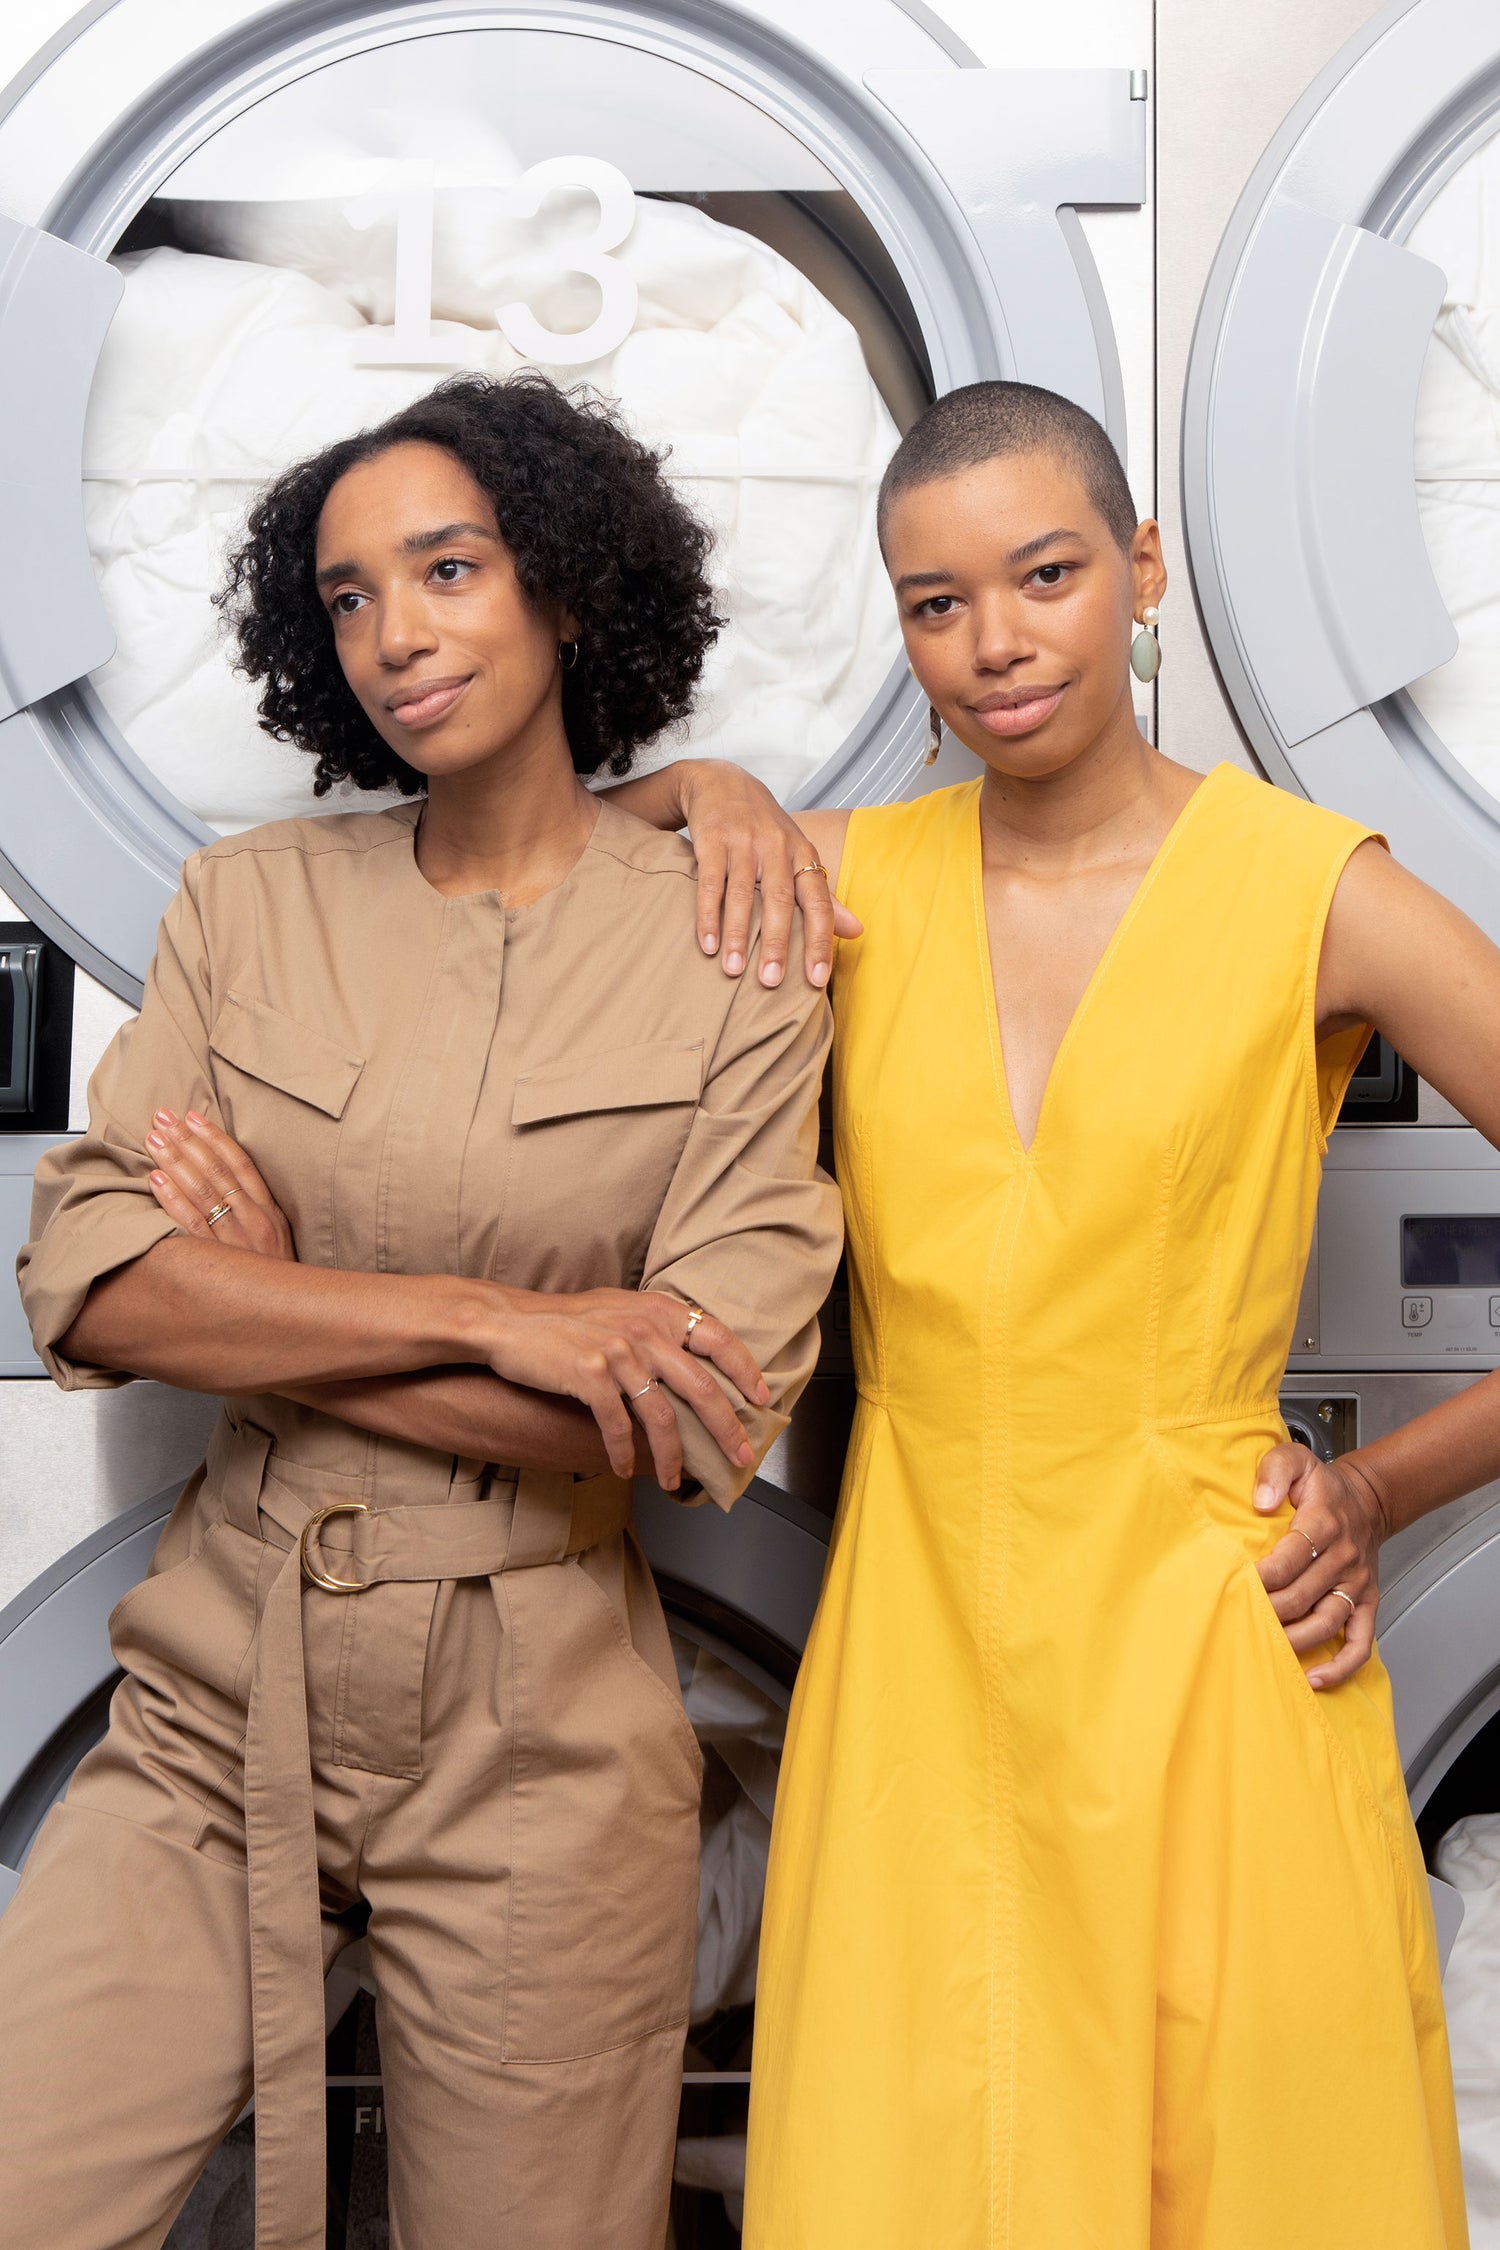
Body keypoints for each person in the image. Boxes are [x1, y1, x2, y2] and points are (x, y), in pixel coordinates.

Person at [603, 381, 1494, 2245]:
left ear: (1142, 570)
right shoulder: (846, 882)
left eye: (1045, 574)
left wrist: (1383, 1493)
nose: (993, 643)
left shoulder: (1316, 891)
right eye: (936, 603)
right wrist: (707, 787)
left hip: (1213, 1668)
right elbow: (534, 872)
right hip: (923, 1675)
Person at [0, 371, 841, 2250]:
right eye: (350, 595)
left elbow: (695, 1414)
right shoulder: (248, 903)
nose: (395, 634)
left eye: (446, 568)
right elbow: (94, 1277)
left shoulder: (729, 947)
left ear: (562, 584)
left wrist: (275, 1298)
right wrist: (512, 1319)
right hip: (222, 1689)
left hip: (541, 1732)